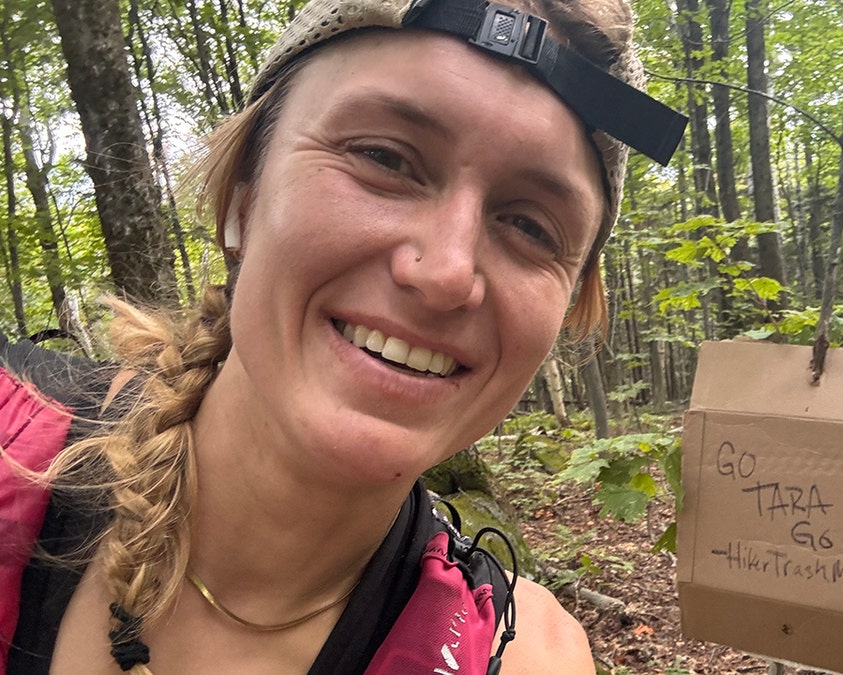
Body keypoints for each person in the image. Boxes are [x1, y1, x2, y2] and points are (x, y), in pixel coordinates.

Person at [0, 0, 684, 671]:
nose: (446, 273)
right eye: (385, 157)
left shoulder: (520, 657)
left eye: (532, 226)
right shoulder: (12, 442)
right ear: (243, 193)